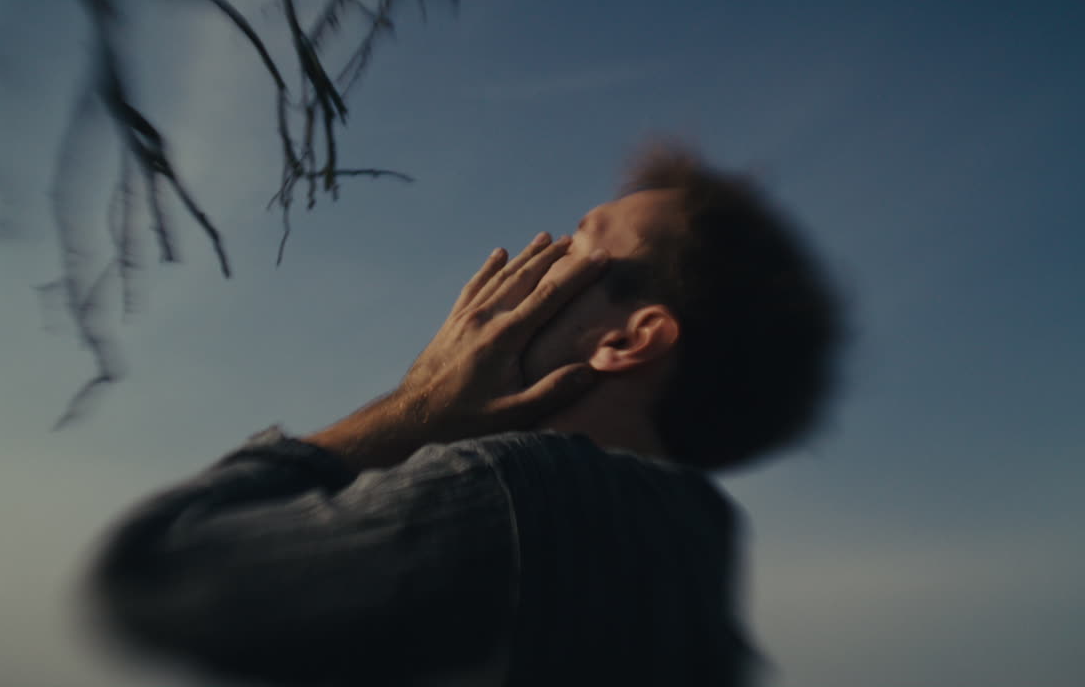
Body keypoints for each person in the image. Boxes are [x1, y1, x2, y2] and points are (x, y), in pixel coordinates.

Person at [77, 143, 844, 686]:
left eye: (578, 246)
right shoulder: (697, 552)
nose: (525, 264)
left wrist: (418, 410)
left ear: (628, 338)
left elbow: (150, 573)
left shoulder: (514, 495)